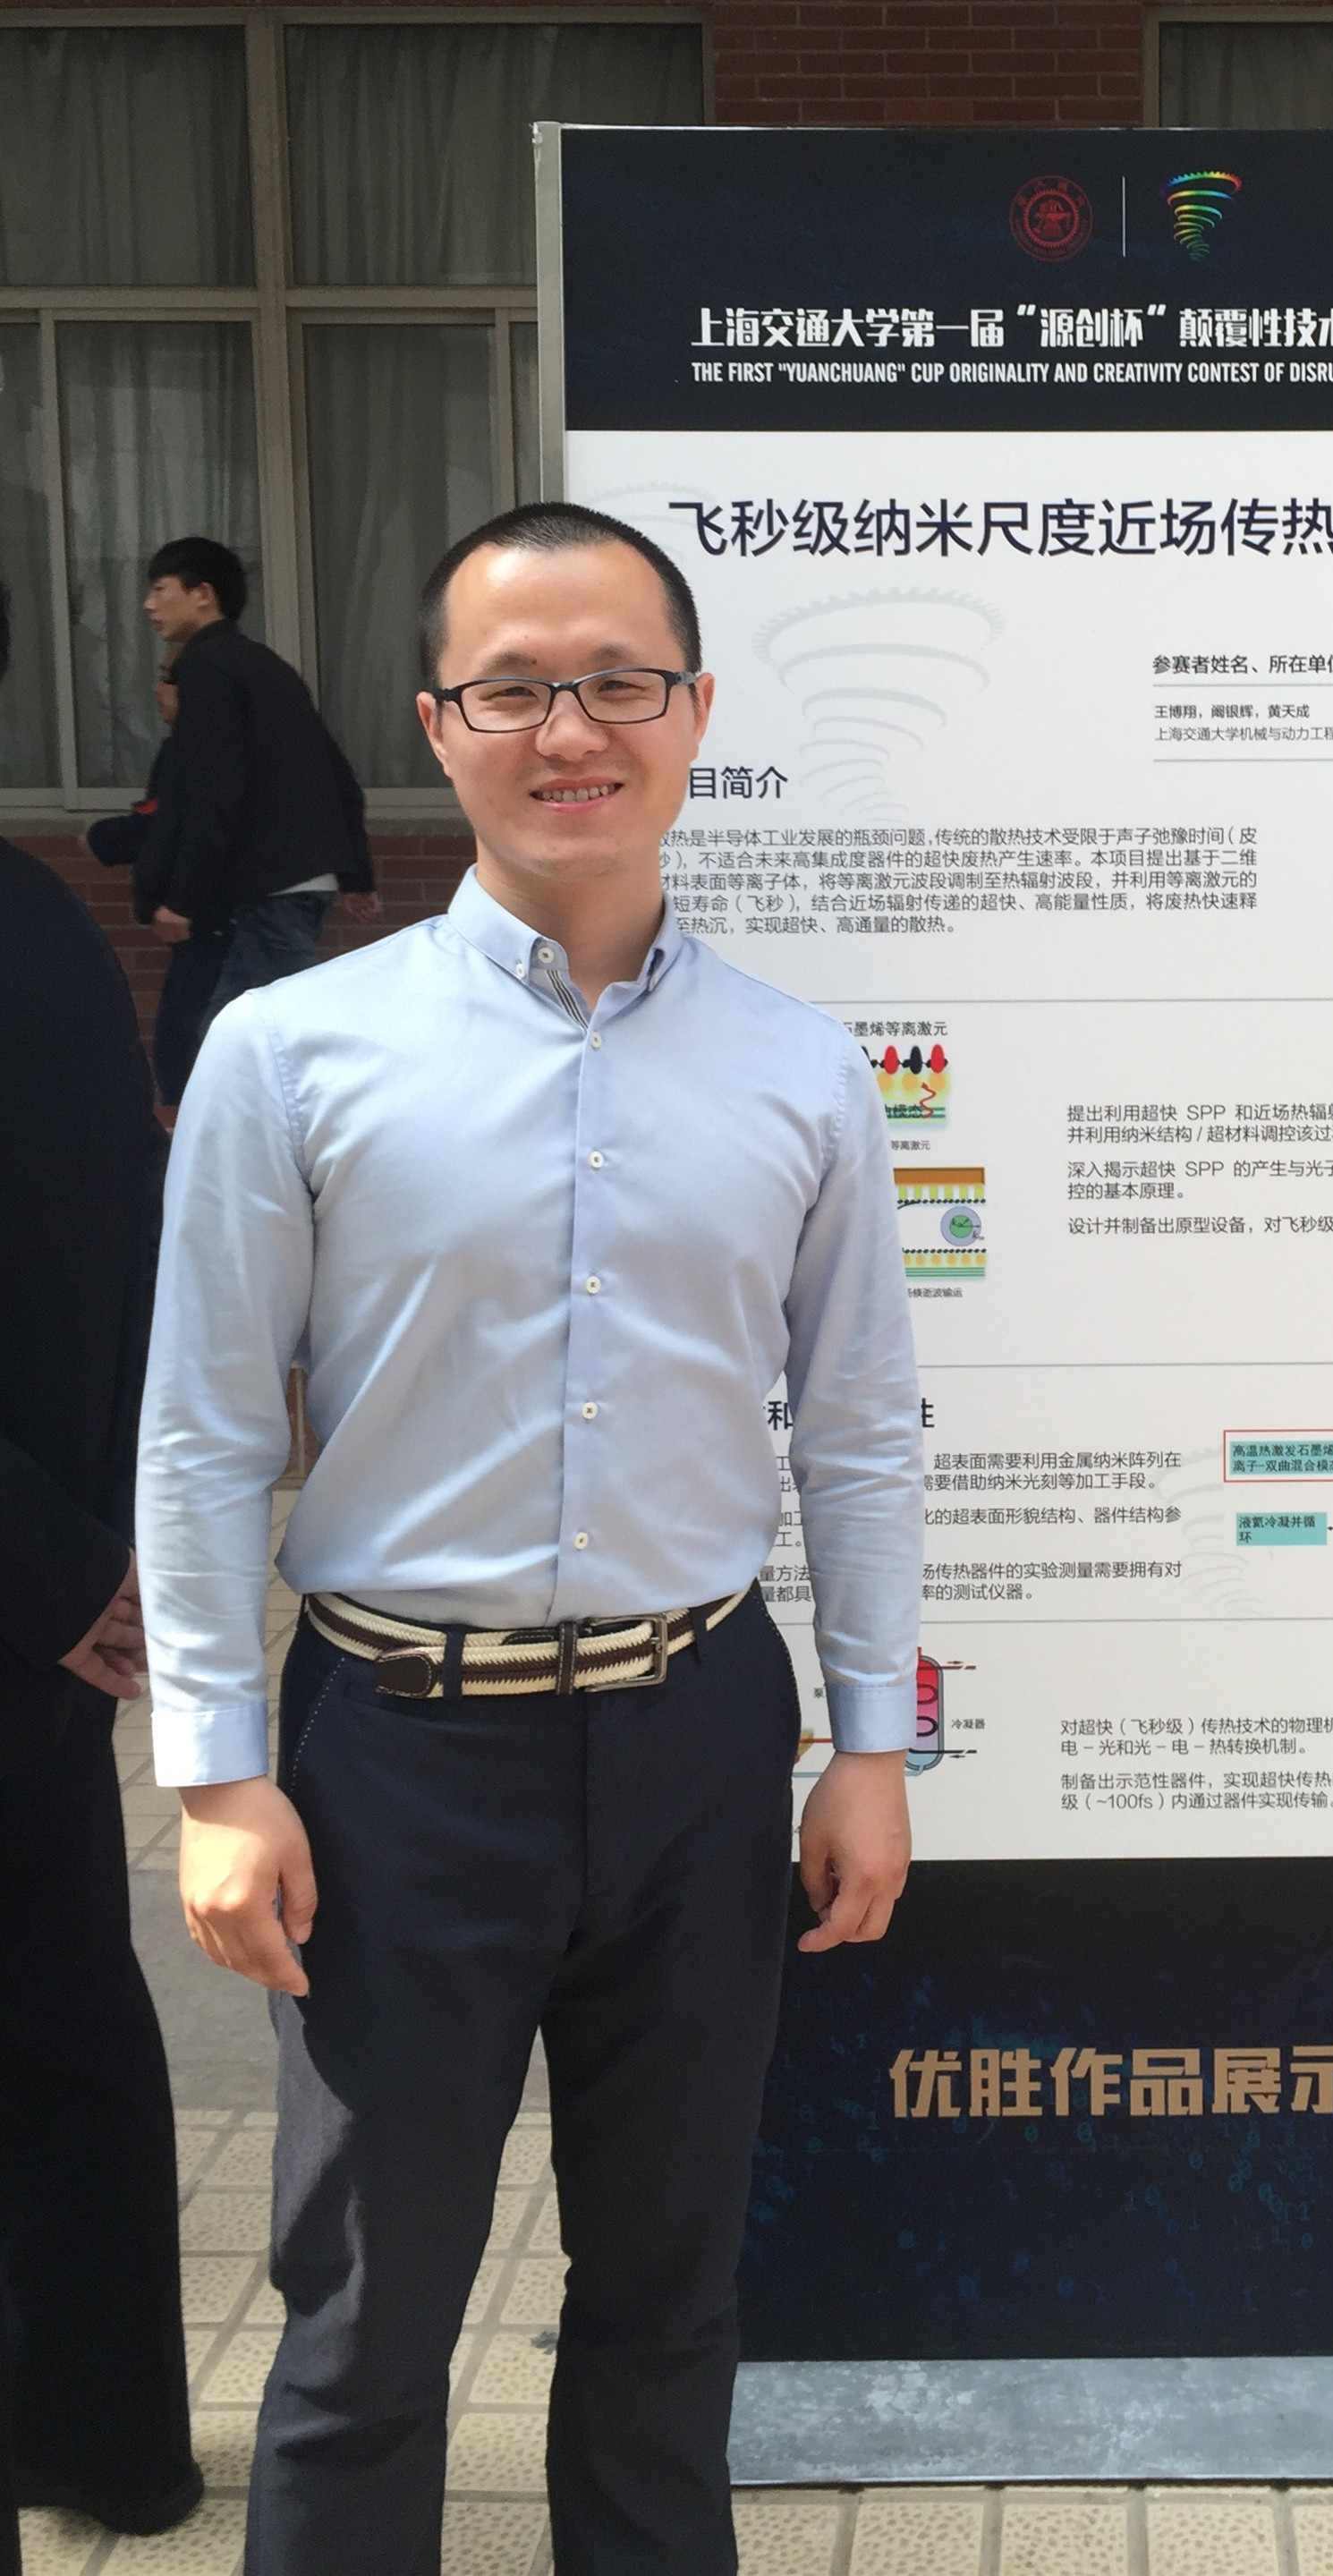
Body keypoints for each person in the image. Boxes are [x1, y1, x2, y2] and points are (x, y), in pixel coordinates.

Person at [138, 502, 923, 2576]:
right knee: (364, 2320)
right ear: (437, 725)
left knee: (667, 2298)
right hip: (396, 1754)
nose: (569, 730)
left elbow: (856, 1424)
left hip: (697, 1733)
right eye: (512, 690)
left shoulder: (801, 1068)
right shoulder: (290, 1051)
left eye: (616, 682)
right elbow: (205, 1427)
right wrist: (216, 1771)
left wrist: (869, 1741)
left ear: (694, 710)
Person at [0, 580, 200, 2563]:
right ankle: (111, 2433)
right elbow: (130, 1254)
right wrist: (98, 1559)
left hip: (36, 1587)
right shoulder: (43, 916)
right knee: (61, 2010)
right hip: (52, 1606)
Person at [140, 536, 379, 1015]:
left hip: (272, 885)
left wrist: (182, 898)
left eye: (160, 589)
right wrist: (355, 873)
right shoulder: (266, 666)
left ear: (203, 594)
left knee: (287, 1030)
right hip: (304, 879)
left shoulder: (205, 667)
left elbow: (213, 791)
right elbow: (336, 774)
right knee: (236, 1034)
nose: (149, 605)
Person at [82, 649, 233, 1107]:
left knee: (185, 1041)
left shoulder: (197, 749)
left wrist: (100, 838)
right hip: (214, 917)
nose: (157, 690)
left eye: (168, 680)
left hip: (214, 918)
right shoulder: (206, 746)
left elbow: (171, 825)